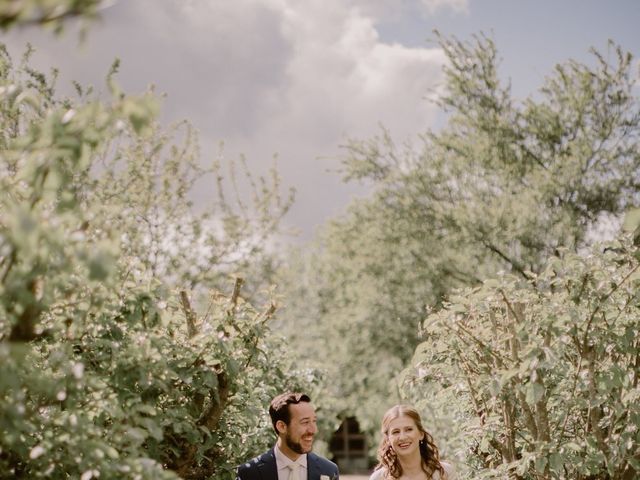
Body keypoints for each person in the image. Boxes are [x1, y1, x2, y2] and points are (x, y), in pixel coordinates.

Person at [236, 391, 339, 480]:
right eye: (305, 422)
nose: (313, 430)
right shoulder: (250, 473)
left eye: (314, 421)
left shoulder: (329, 470)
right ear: (281, 426)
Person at [369, 405, 457, 480]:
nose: (402, 437)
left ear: (421, 434)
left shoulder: (445, 473)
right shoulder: (379, 478)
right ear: (388, 439)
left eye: (409, 429)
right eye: (396, 432)